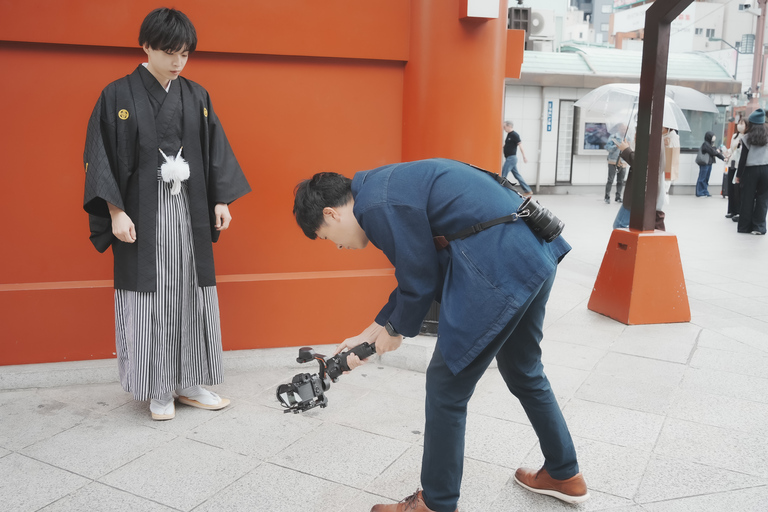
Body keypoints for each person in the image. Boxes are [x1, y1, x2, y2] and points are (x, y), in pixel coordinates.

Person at [293, 159, 589, 512]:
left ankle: (436, 503)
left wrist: (394, 331)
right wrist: (371, 332)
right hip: (530, 253)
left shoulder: (375, 205)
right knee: (524, 370)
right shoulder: (381, 188)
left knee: (446, 388)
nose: (338, 247)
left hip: (500, 264)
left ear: (331, 213)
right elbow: (417, 269)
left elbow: (419, 280)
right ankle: (563, 473)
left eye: (327, 238)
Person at [82, 8, 251, 420]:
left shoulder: (196, 95)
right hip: (141, 209)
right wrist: (115, 211)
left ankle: (191, 380)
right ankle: (157, 387)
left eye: (185, 54)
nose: (178, 62)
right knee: (151, 297)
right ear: (146, 46)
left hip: (188, 207)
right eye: (170, 52)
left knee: (190, 292)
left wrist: (220, 200)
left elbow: (214, 152)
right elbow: (99, 155)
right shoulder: (117, 94)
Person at [613, 134, 667, 231]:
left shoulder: (652, 135)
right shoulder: (657, 137)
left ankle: (628, 246)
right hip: (645, 194)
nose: (635, 134)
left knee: (620, 226)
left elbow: (643, 164)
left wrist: (626, 150)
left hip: (639, 195)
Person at [736, 109, 768, 235]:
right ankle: (759, 227)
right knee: (763, 199)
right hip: (766, 169)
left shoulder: (746, 138)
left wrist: (738, 175)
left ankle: (744, 227)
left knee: (747, 198)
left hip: (751, 170)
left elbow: (743, 159)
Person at [502, 120, 532, 196]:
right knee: (517, 175)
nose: (504, 128)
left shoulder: (515, 135)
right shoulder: (509, 135)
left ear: (509, 126)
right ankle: (527, 190)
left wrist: (524, 156)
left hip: (511, 158)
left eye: (504, 127)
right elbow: (508, 145)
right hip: (509, 158)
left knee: (503, 174)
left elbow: (520, 146)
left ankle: (501, 189)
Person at [726, 116, 747, 221]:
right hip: (732, 163)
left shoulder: (747, 137)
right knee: (730, 187)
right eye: (739, 122)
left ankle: (738, 211)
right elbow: (731, 149)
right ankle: (731, 210)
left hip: (740, 165)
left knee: (737, 189)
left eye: (742, 123)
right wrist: (727, 154)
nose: (740, 125)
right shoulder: (735, 136)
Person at [604, 124, 629, 204]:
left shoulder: (627, 138)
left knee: (621, 180)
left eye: (625, 129)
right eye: (622, 129)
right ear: (619, 129)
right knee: (610, 179)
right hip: (613, 161)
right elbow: (607, 148)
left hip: (623, 162)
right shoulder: (613, 137)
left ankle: (618, 197)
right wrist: (616, 146)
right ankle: (607, 196)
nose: (623, 130)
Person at [696, 131, 725, 197]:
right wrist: (722, 158)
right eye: (712, 136)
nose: (714, 137)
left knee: (706, 178)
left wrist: (717, 152)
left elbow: (715, 151)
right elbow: (713, 152)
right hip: (704, 163)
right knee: (702, 178)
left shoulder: (711, 144)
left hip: (709, 163)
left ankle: (705, 191)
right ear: (709, 137)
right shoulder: (706, 144)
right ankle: (700, 192)